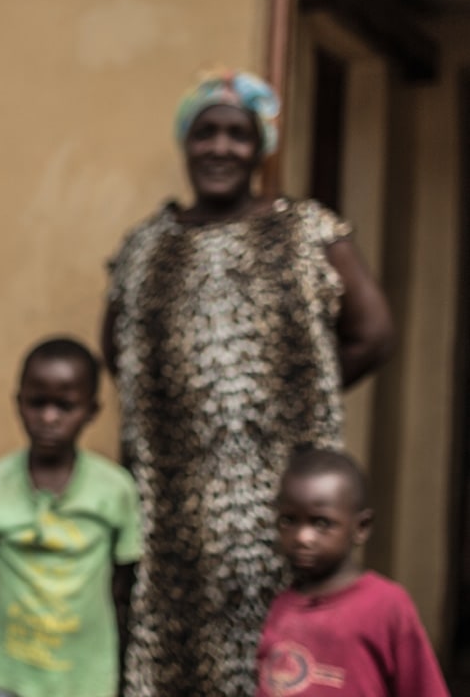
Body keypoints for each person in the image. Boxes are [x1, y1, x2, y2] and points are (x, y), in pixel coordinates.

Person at [100, 69, 397, 697]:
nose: (220, 147)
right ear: (186, 143)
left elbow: (375, 333)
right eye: (205, 132)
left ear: (261, 146)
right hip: (171, 516)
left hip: (279, 512)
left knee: (285, 667)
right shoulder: (145, 246)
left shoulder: (307, 231)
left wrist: (287, 394)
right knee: (175, 666)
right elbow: (118, 350)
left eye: (238, 134)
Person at [0, 337, 142, 697]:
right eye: (37, 403)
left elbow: (123, 582)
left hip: (84, 673)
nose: (49, 417)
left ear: (92, 409)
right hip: (5, 671)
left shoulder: (115, 490)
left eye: (65, 406)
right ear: (18, 402)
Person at [256, 448, 450, 696]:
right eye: (289, 521)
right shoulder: (281, 606)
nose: (302, 537)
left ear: (361, 527)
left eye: (321, 523)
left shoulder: (386, 606)